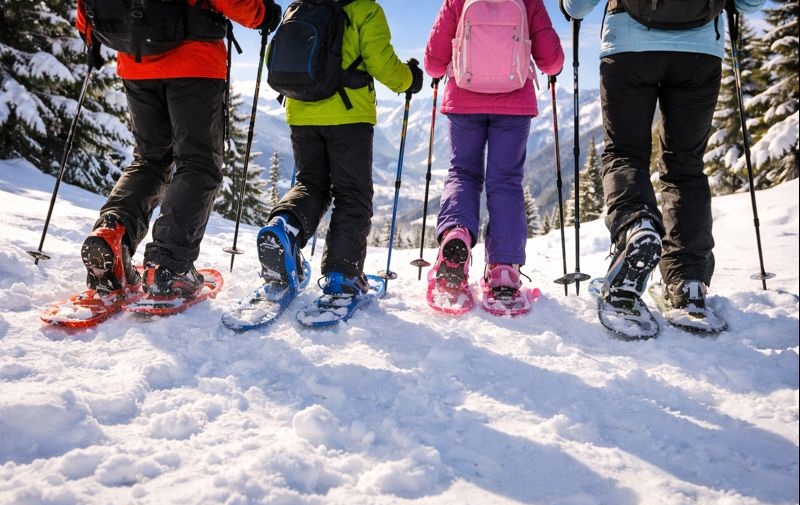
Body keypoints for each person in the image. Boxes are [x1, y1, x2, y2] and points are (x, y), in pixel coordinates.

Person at [559, 0, 765, 320]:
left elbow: (578, 7)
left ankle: (636, 227)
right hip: (700, 54)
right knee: (685, 165)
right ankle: (688, 280)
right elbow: (749, 3)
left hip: (628, 49)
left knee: (625, 153)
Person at [76, 0, 281, 298]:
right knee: (198, 164)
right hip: (194, 63)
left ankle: (112, 233)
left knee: (150, 160)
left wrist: (91, 36)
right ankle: (169, 267)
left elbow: (86, 10)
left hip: (135, 63)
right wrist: (264, 14)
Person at [257, 0, 423, 301]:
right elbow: (381, 61)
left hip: (301, 113)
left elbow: (274, 56)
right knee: (352, 193)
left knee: (310, 183)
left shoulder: (299, 7)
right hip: (348, 117)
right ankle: (342, 274)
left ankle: (284, 225)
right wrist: (410, 78)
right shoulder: (364, 9)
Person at [422, 0, 564, 308]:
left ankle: (456, 234)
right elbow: (551, 62)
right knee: (506, 181)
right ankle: (503, 270)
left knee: (463, 173)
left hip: (463, 98)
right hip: (515, 102)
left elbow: (433, 63)